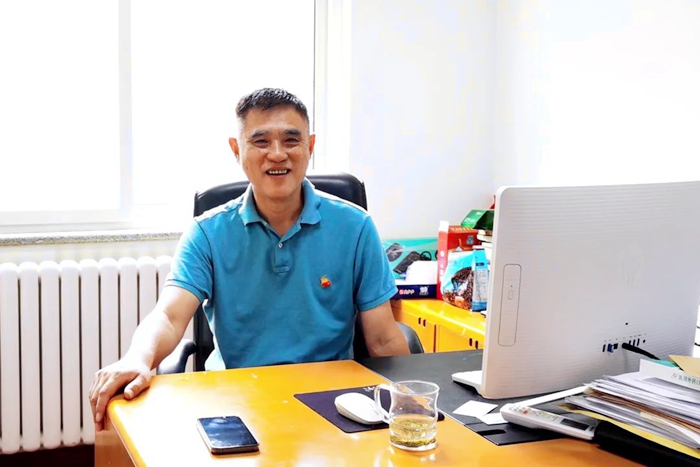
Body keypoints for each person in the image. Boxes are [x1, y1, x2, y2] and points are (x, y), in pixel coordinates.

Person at [89, 88, 410, 431]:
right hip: (236, 398)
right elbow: (169, 316)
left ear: (310, 146)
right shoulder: (207, 233)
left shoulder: (355, 227)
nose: (277, 154)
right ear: (236, 150)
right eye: (260, 141)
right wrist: (137, 358)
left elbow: (382, 339)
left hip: (331, 401)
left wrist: (413, 403)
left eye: (291, 140)